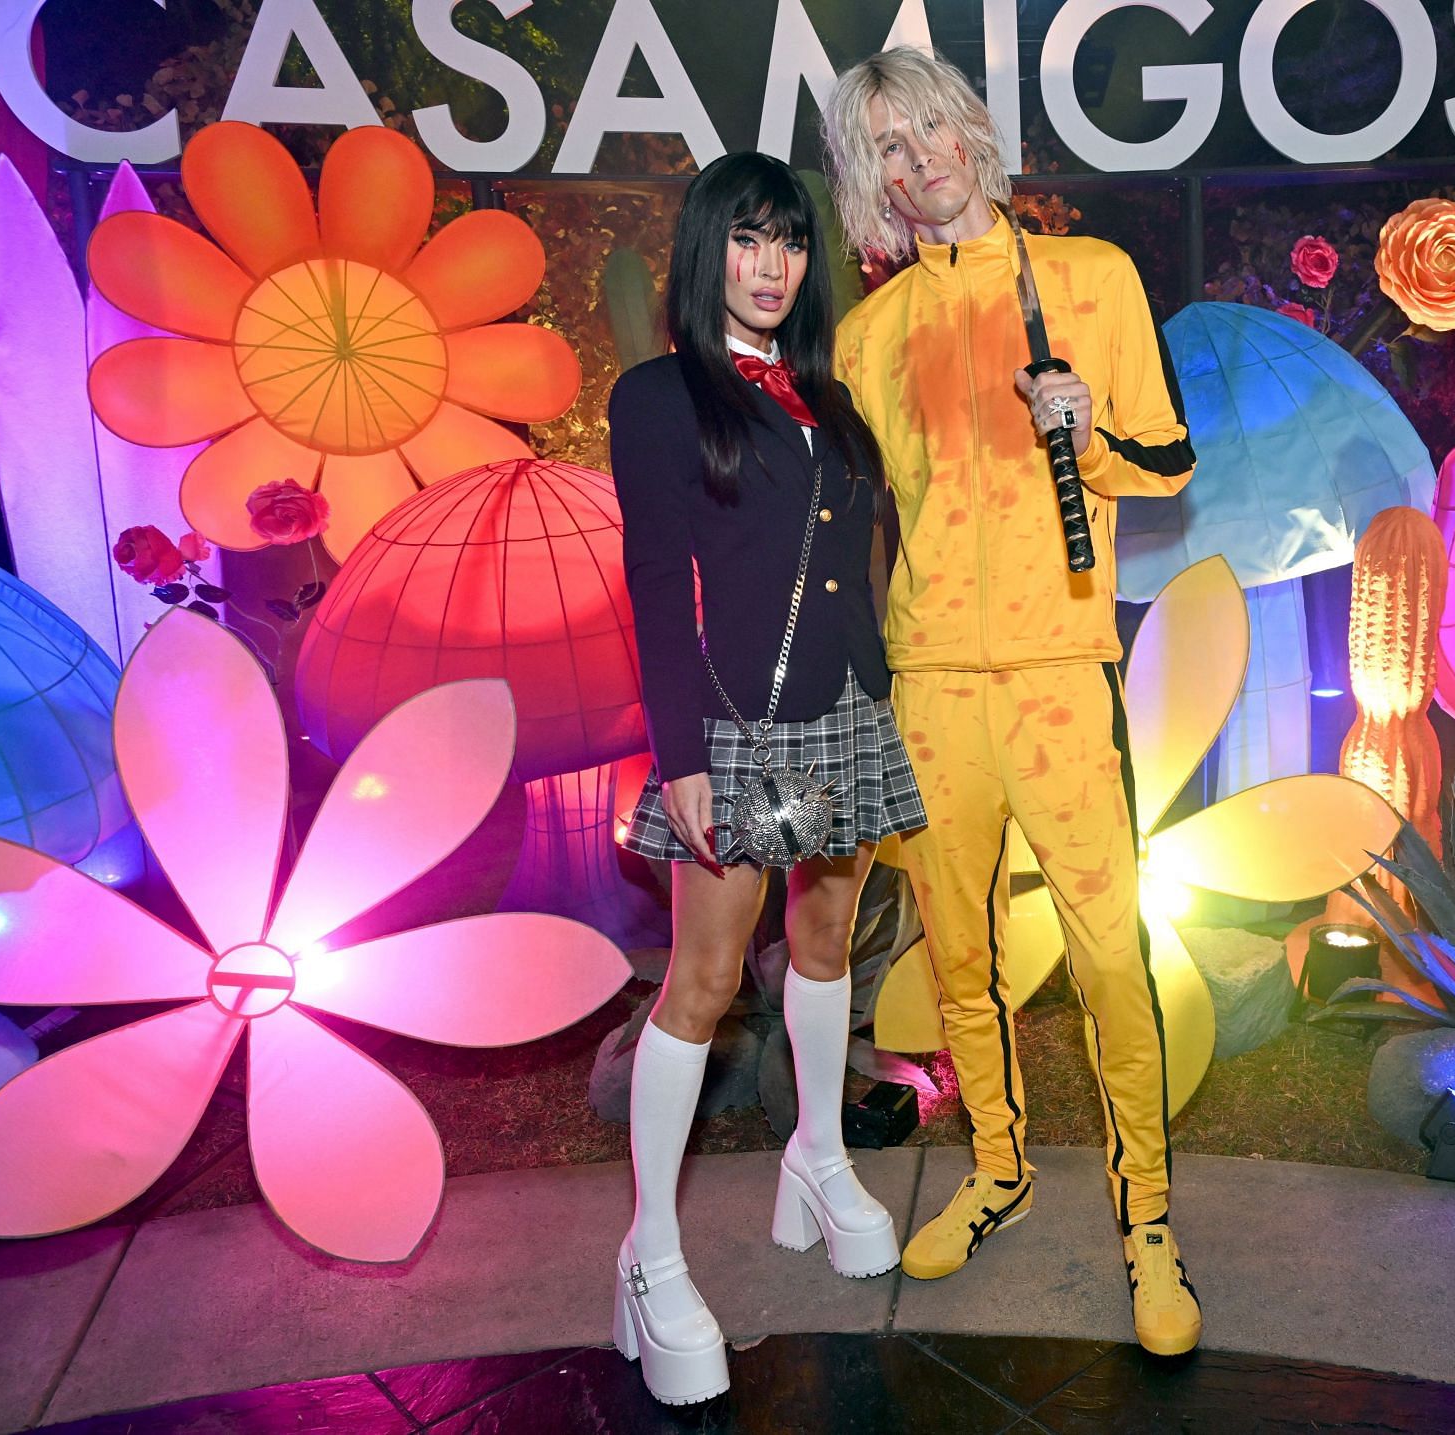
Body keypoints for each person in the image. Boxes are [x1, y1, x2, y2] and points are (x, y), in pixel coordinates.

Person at [823, 47, 1202, 1355]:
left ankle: (1147, 1217)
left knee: (1107, 947)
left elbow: (1168, 462)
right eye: (882, 146)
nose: (912, 159)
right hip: (930, 677)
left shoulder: (1092, 279)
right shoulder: (865, 336)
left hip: (1053, 670)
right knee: (961, 950)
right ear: (866, 178)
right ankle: (999, 1165)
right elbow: (851, 522)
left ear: (969, 132)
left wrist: (1089, 430)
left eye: (923, 128)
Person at [609, 151, 926, 1406]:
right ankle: (652, 1250)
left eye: (789, 243)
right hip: (743, 729)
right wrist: (679, 752)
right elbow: (651, 584)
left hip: (846, 709)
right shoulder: (660, 396)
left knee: (830, 934)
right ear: (707, 253)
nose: (771, 264)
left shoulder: (827, 399)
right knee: (701, 977)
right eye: (747, 240)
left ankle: (815, 1153)